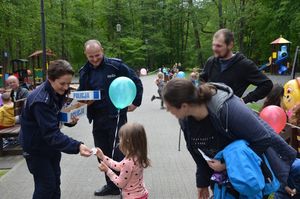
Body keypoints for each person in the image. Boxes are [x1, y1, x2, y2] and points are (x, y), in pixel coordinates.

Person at [162, 78, 297, 199]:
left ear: (184, 106)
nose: (168, 112)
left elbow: (263, 138)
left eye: (169, 108)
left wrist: (228, 164)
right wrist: (202, 183)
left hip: (249, 177)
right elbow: (197, 152)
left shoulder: (228, 109)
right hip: (224, 182)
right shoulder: (185, 121)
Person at [78, 39, 143, 196]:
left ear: (103, 50)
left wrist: (135, 102)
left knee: (120, 152)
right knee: (101, 152)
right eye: (91, 56)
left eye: (97, 55)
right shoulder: (84, 71)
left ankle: (126, 186)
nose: (94, 59)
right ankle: (112, 185)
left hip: (117, 115)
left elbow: (136, 81)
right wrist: (82, 100)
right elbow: (81, 93)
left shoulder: (116, 66)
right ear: (85, 55)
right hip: (97, 117)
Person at [19, 60, 92, 199]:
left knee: (55, 183)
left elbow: (56, 116)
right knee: (46, 186)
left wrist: (68, 120)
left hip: (50, 147)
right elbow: (51, 133)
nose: (66, 88)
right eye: (62, 83)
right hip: (36, 149)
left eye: (68, 83)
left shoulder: (56, 91)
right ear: (50, 79)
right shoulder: (40, 101)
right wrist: (77, 146)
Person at [199, 28, 273, 104]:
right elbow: (201, 80)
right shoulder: (211, 61)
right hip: (210, 110)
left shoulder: (244, 65)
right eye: (213, 45)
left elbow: (267, 84)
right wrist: (196, 82)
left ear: (230, 45)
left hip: (229, 113)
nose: (214, 49)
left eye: (219, 46)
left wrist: (245, 100)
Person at [96, 122, 150, 199]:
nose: (119, 142)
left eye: (121, 139)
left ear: (128, 142)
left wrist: (107, 171)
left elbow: (120, 183)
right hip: (141, 194)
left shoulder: (128, 162)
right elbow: (119, 166)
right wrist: (103, 157)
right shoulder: (138, 155)